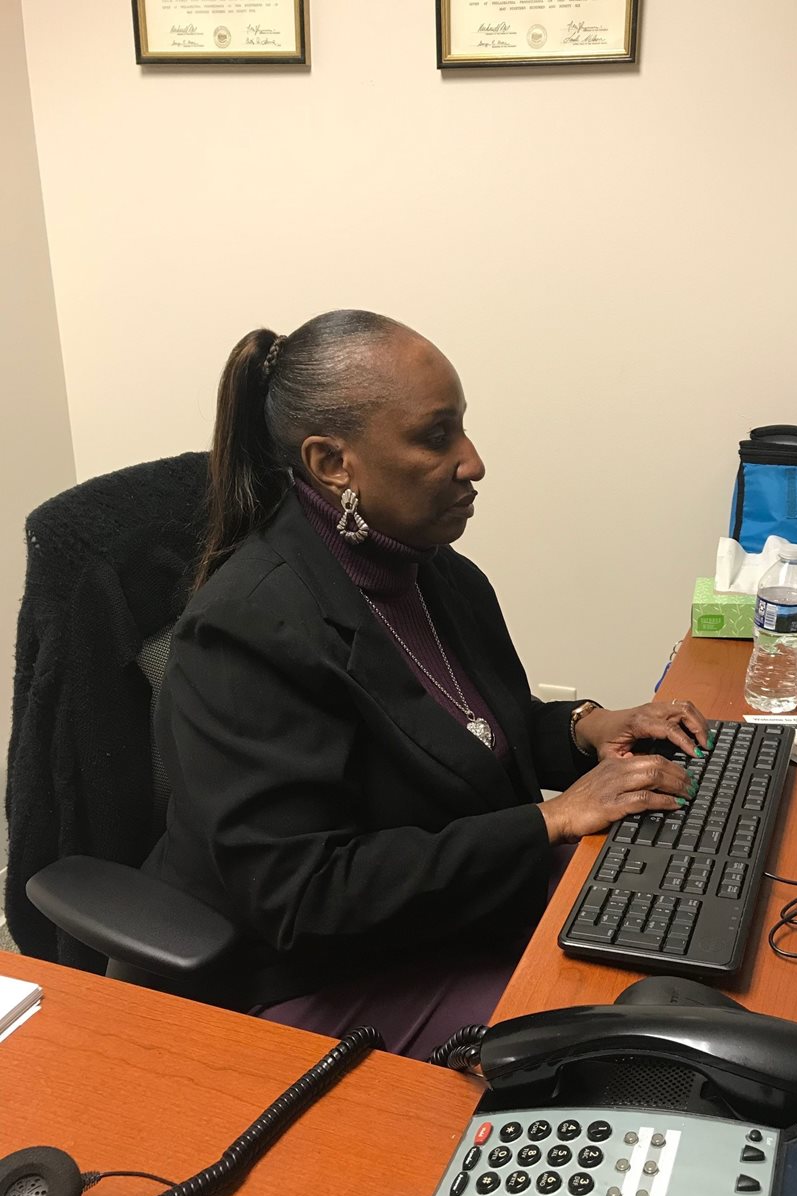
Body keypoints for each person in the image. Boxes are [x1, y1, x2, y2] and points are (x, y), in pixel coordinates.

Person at [144, 310, 709, 1059]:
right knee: (639, 1031)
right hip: (319, 975)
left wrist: (584, 728)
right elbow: (306, 894)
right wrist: (551, 821)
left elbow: (470, 733)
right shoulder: (248, 630)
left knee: (685, 924)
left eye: (463, 428)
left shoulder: (431, 569)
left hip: (448, 913)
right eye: (437, 436)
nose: (472, 461)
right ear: (332, 463)